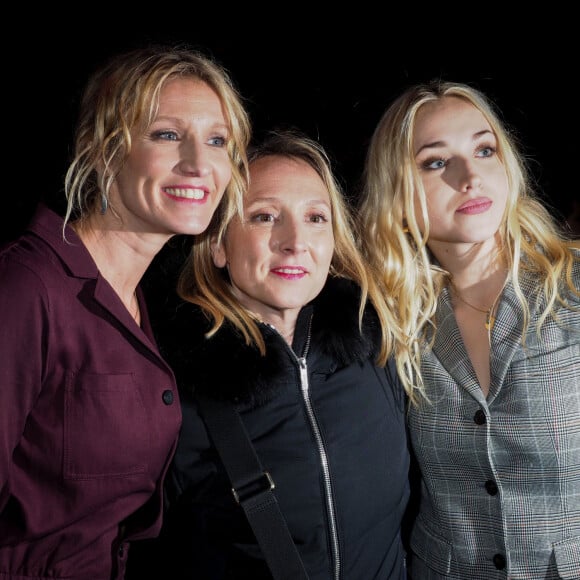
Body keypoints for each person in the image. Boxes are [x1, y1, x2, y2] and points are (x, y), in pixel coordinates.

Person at [0, 44, 251, 579]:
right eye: (166, 134)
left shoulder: (141, 300)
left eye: (217, 140)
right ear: (103, 148)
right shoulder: (25, 288)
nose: (199, 163)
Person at [125, 129, 411, 579]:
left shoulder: (377, 349)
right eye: (263, 217)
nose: (294, 240)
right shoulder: (171, 386)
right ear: (218, 245)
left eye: (316, 217)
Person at [357, 80, 580, 579]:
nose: (470, 176)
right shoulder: (391, 319)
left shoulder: (574, 288)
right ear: (396, 189)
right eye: (436, 162)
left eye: (484, 150)